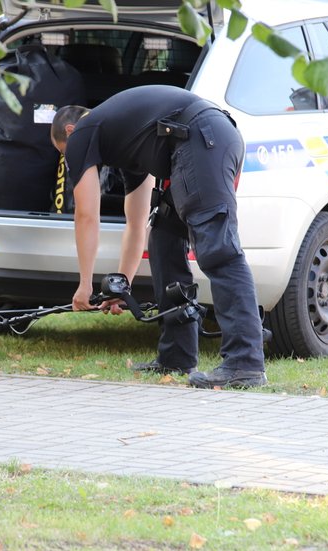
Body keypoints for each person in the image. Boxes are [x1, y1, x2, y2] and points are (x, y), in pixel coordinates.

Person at [50, 86, 267, 389]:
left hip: (202, 140)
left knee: (219, 251)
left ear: (70, 132)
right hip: (201, 140)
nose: (71, 161)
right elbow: (137, 223)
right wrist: (120, 286)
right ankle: (176, 356)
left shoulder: (84, 132)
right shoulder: (124, 141)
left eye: (65, 153)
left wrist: (85, 284)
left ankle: (245, 364)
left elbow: (86, 214)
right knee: (163, 238)